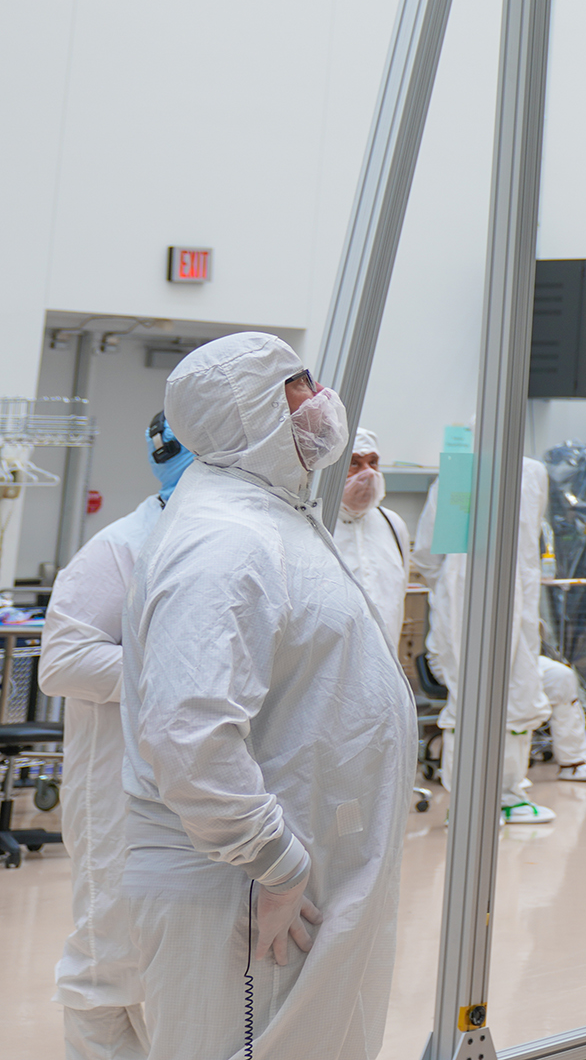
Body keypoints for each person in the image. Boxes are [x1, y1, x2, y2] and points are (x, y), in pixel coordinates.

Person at [117, 333, 413, 1059]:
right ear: (246, 408)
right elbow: (191, 733)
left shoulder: (272, 517)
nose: (321, 401)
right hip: (247, 890)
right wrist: (275, 862)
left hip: (295, 879)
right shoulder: (225, 538)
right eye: (298, 386)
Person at [35, 413, 192, 1060]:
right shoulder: (120, 548)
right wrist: (179, 671)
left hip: (184, 801)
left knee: (167, 980)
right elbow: (63, 662)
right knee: (107, 971)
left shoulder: (207, 543)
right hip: (117, 805)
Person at [416, 455, 586, 828]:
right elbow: (430, 554)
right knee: (472, 703)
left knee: (520, 698)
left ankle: (506, 796)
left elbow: (431, 554)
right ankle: (472, 802)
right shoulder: (463, 473)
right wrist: (454, 589)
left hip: (509, 611)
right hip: (463, 616)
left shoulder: (525, 472)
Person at [329, 429, 412, 635]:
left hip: (386, 656)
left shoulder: (392, 524)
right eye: (354, 463)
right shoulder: (317, 523)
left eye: (373, 462)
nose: (368, 474)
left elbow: (399, 593)